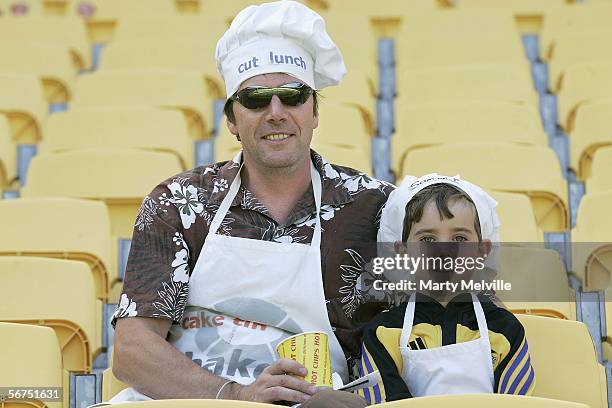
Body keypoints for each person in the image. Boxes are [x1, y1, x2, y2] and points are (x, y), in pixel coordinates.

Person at [109, 1, 392, 405]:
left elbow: (461, 304)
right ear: (231, 119)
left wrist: (365, 401)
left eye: (292, 95)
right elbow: (132, 351)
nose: (275, 113)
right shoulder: (179, 202)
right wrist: (235, 395)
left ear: (314, 112)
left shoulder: (375, 207)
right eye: (256, 99)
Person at [356, 174, 535, 403]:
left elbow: (518, 404)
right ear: (402, 252)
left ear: (482, 251)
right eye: (428, 240)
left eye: (459, 237)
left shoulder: (506, 330)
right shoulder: (383, 332)